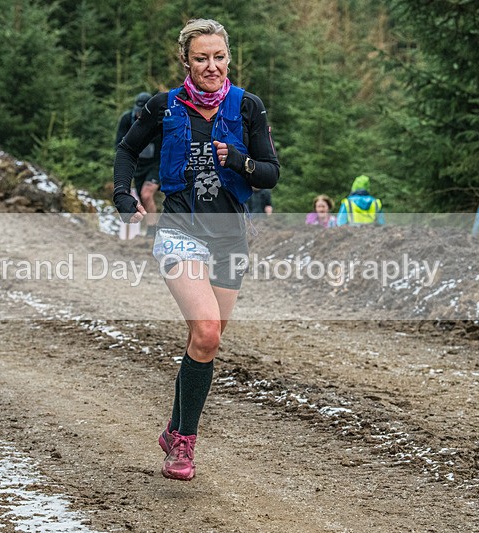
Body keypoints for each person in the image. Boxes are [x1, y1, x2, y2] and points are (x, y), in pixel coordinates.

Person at [113, 18, 279, 481]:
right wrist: (123, 197)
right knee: (206, 332)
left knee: (204, 342)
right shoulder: (164, 107)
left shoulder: (248, 107)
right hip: (180, 231)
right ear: (186, 59)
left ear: (229, 57)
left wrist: (240, 159)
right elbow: (127, 150)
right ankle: (184, 446)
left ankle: (174, 428)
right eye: (201, 57)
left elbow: (269, 173)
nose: (212, 66)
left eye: (219, 56)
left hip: (230, 237)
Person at [115, 91, 162, 235]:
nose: (138, 116)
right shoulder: (126, 120)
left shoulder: (159, 121)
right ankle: (150, 227)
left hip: (156, 163)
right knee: (143, 198)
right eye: (137, 112)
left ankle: (152, 231)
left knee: (147, 194)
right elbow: (120, 146)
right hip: (138, 165)